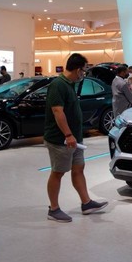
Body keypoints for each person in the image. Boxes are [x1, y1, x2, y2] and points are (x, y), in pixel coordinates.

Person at [44, 53, 107, 222]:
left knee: (78, 169)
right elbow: (57, 111)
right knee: (58, 173)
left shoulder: (70, 84)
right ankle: (53, 209)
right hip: (61, 139)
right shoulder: (58, 85)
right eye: (84, 70)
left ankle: (86, 203)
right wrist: (68, 134)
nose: (84, 74)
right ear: (78, 69)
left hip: (74, 140)